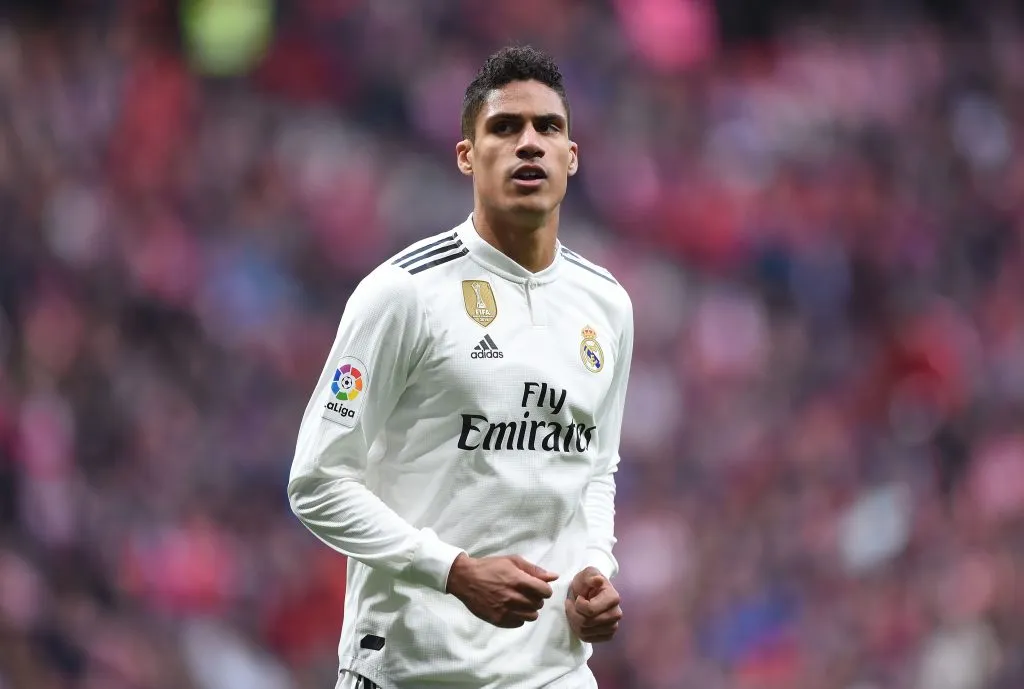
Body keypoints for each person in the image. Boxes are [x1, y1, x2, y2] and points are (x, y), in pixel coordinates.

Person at [288, 44, 634, 689]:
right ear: (467, 156)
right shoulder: (402, 294)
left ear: (572, 156)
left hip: (550, 672)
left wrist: (594, 567)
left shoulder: (606, 304)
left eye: (547, 128)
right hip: (410, 670)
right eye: (505, 128)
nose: (529, 143)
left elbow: (596, 469)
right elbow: (316, 482)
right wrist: (453, 571)